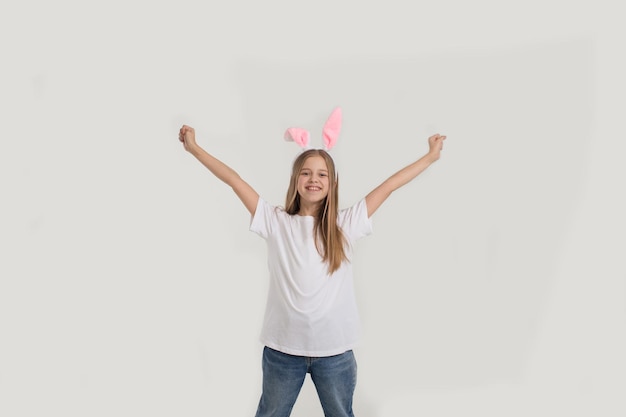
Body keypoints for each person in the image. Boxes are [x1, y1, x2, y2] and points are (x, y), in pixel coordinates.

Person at [178, 109, 446, 417]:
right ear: (295, 180)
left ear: (332, 183)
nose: (313, 179)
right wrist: (196, 149)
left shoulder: (346, 224)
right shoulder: (274, 221)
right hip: (283, 351)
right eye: (306, 172)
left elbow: (388, 185)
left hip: (334, 352)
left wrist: (429, 157)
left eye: (321, 174)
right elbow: (233, 180)